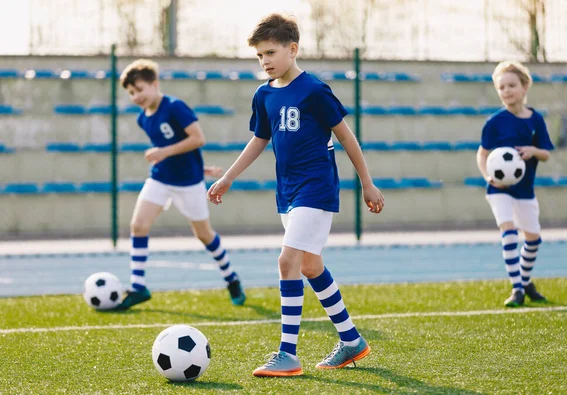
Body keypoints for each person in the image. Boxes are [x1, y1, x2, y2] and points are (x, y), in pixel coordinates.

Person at [207, 13, 384, 377]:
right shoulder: (264, 94)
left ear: (292, 48)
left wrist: (367, 182)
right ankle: (352, 341)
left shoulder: (315, 90)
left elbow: (346, 137)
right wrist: (227, 178)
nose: (265, 61)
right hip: (287, 190)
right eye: (259, 56)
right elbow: (259, 139)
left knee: (287, 261)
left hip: (316, 187)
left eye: (270, 52)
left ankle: (287, 353)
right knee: (310, 266)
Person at [116, 58, 246, 310]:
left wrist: (167, 153)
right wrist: (168, 157)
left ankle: (231, 278)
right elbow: (176, 148)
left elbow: (197, 138)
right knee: (138, 225)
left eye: (139, 90)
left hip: (188, 183)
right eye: (131, 93)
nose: (136, 96)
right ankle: (137, 286)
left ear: (154, 84)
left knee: (204, 234)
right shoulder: (143, 119)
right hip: (160, 177)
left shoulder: (175, 107)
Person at [476, 61, 554, 307]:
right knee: (508, 231)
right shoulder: (494, 122)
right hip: (499, 190)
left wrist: (533, 150)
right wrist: (488, 176)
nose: (506, 91)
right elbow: (482, 154)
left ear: (524, 86)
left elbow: (546, 153)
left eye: (511, 85)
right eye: (501, 87)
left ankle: (526, 281)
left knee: (533, 239)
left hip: (525, 190)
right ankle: (517, 288)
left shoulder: (536, 120)